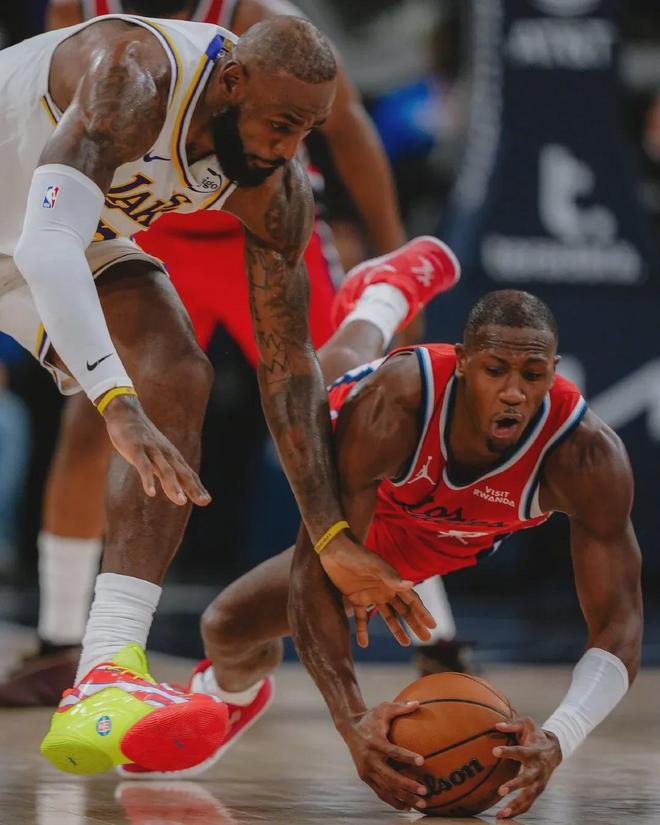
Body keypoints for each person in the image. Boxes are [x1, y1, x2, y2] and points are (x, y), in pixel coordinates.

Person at [0, 13, 424, 775]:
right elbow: (44, 242)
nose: (289, 149)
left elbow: (289, 372)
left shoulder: (276, 188)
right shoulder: (134, 76)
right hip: (42, 233)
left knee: (176, 371)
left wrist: (331, 533)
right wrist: (115, 399)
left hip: (59, 236)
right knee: (128, 395)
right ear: (231, 82)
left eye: (307, 131)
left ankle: (104, 670)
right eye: (281, 124)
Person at [131, 281, 642, 818]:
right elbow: (315, 568)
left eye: (532, 376)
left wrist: (560, 736)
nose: (514, 392)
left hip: (432, 541)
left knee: (227, 625)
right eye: (495, 370)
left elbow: (619, 626)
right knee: (226, 625)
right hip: (367, 500)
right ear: (463, 363)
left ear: (553, 372)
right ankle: (386, 295)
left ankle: (219, 703)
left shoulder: (586, 455)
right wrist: (352, 719)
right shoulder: (399, 401)